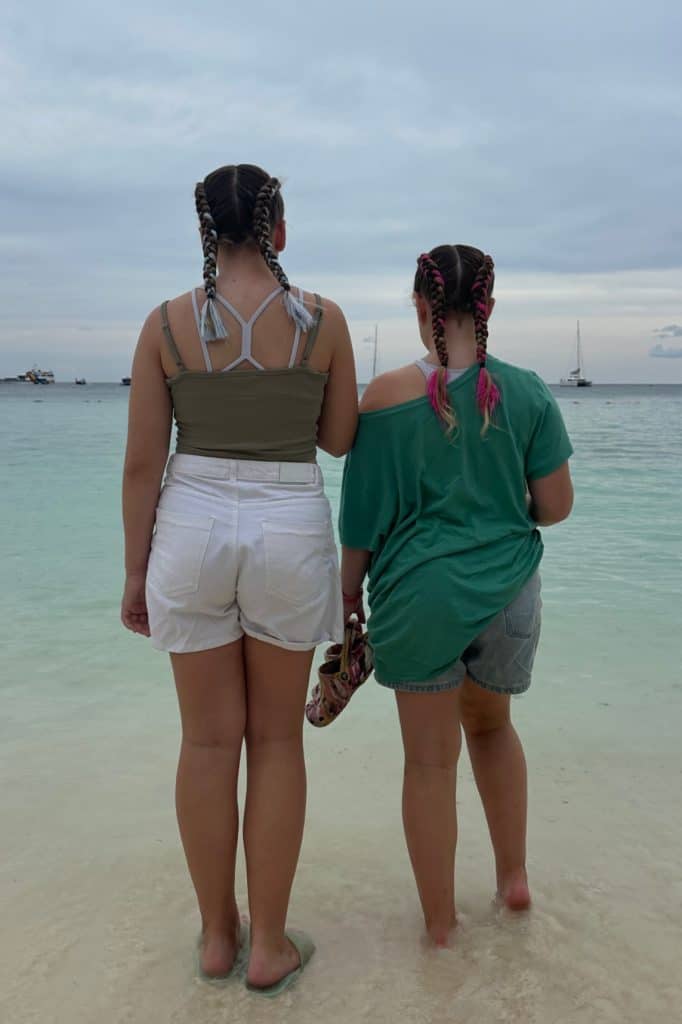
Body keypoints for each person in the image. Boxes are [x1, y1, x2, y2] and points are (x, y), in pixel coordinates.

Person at [121, 163, 357, 993]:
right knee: (278, 741)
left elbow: (144, 463)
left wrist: (133, 572)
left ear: (206, 235)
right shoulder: (322, 322)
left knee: (207, 743)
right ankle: (270, 948)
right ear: (279, 230)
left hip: (188, 526)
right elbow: (336, 439)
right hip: (288, 521)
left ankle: (218, 936)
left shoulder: (166, 326)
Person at [339, 245, 573, 946]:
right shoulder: (528, 392)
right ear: (488, 309)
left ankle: (441, 928)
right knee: (494, 729)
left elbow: (362, 519)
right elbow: (555, 506)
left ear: (420, 307)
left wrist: (349, 596)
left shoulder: (381, 400)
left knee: (429, 764)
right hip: (508, 593)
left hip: (418, 602)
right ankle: (513, 879)